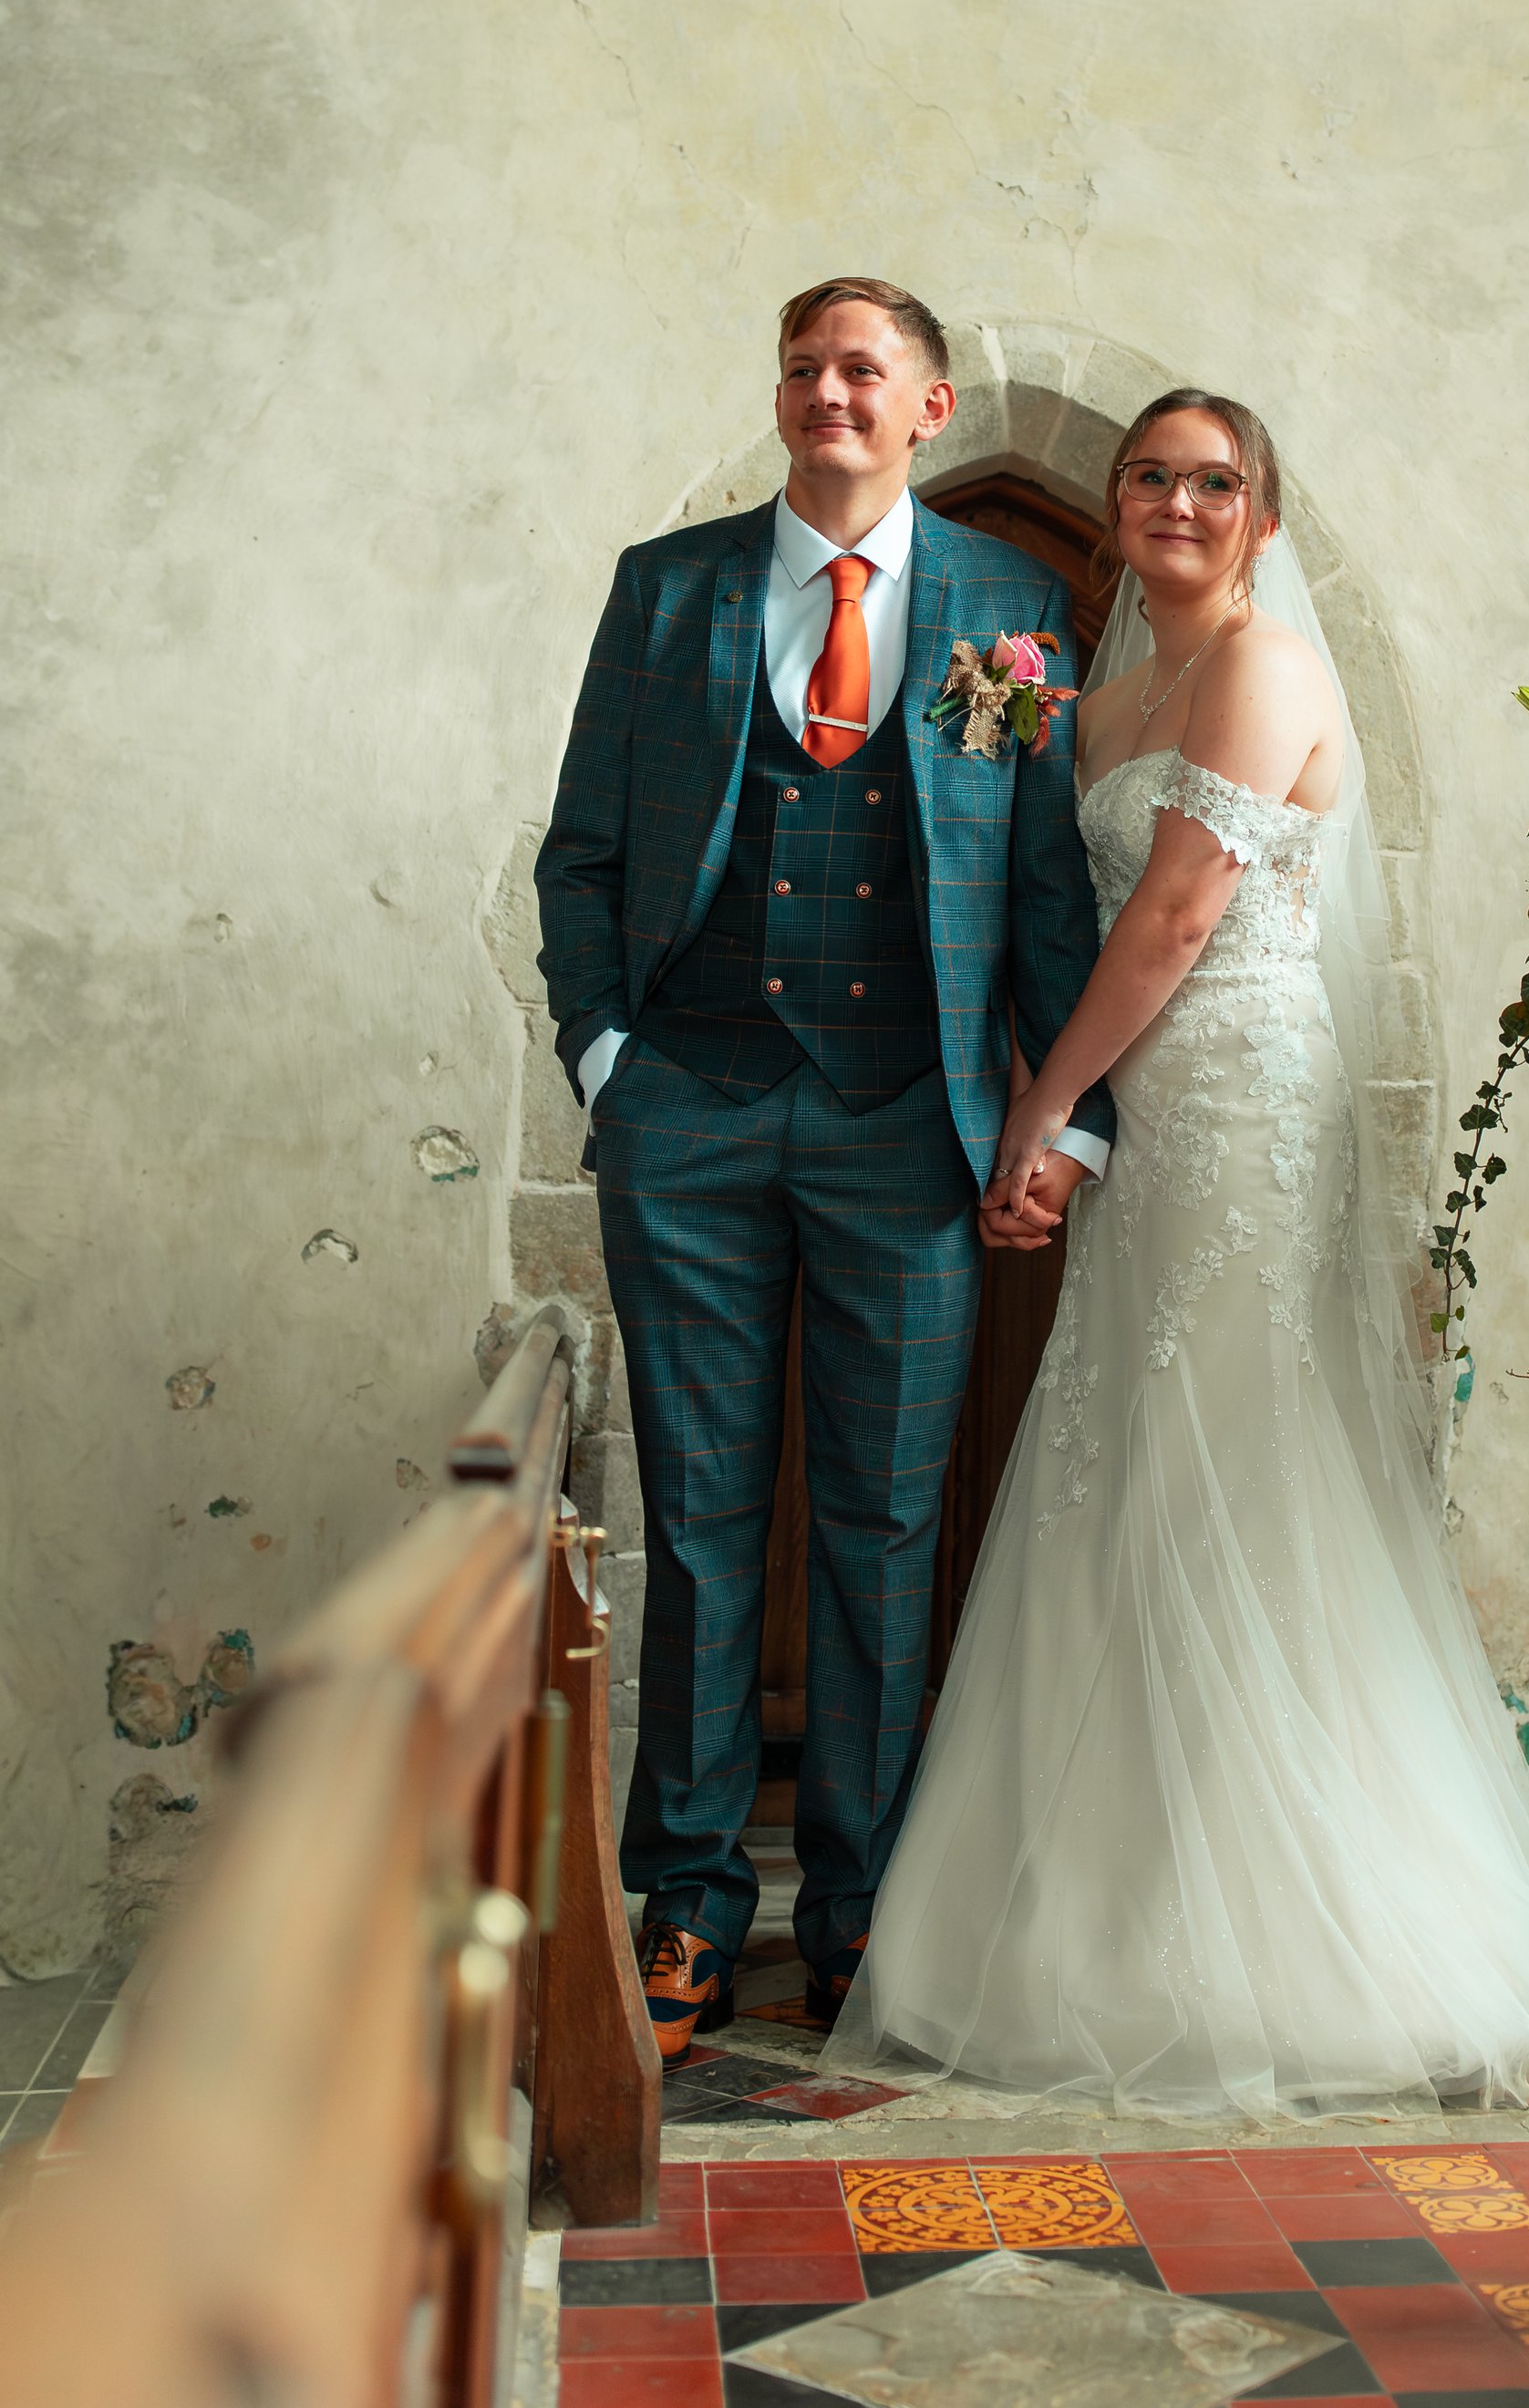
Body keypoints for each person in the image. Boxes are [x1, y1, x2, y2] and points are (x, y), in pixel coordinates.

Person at [824, 387, 1529, 2119]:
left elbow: (1181, 910)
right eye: (1151, 476)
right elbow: (1037, 909)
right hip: (1147, 1110)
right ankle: (1106, 1909)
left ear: (1263, 517)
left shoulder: (1264, 669)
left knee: (1229, 1474)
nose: (1180, 502)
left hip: (1241, 1104)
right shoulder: (1097, 694)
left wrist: (1044, 1108)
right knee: (1121, 1464)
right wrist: (1054, 1104)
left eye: (1217, 481)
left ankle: (1296, 1928)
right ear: (1116, 503)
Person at [532, 277, 1112, 2061]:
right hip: (689, 1105)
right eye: (800, 368)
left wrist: (1063, 1118)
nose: (824, 393)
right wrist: (611, 1057)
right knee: (700, 1525)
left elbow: (1031, 887)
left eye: (860, 370)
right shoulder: (669, 587)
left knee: (877, 1526)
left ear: (928, 408)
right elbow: (576, 854)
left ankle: (861, 1914)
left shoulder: (1011, 611)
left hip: (904, 1123)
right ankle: (689, 1908)